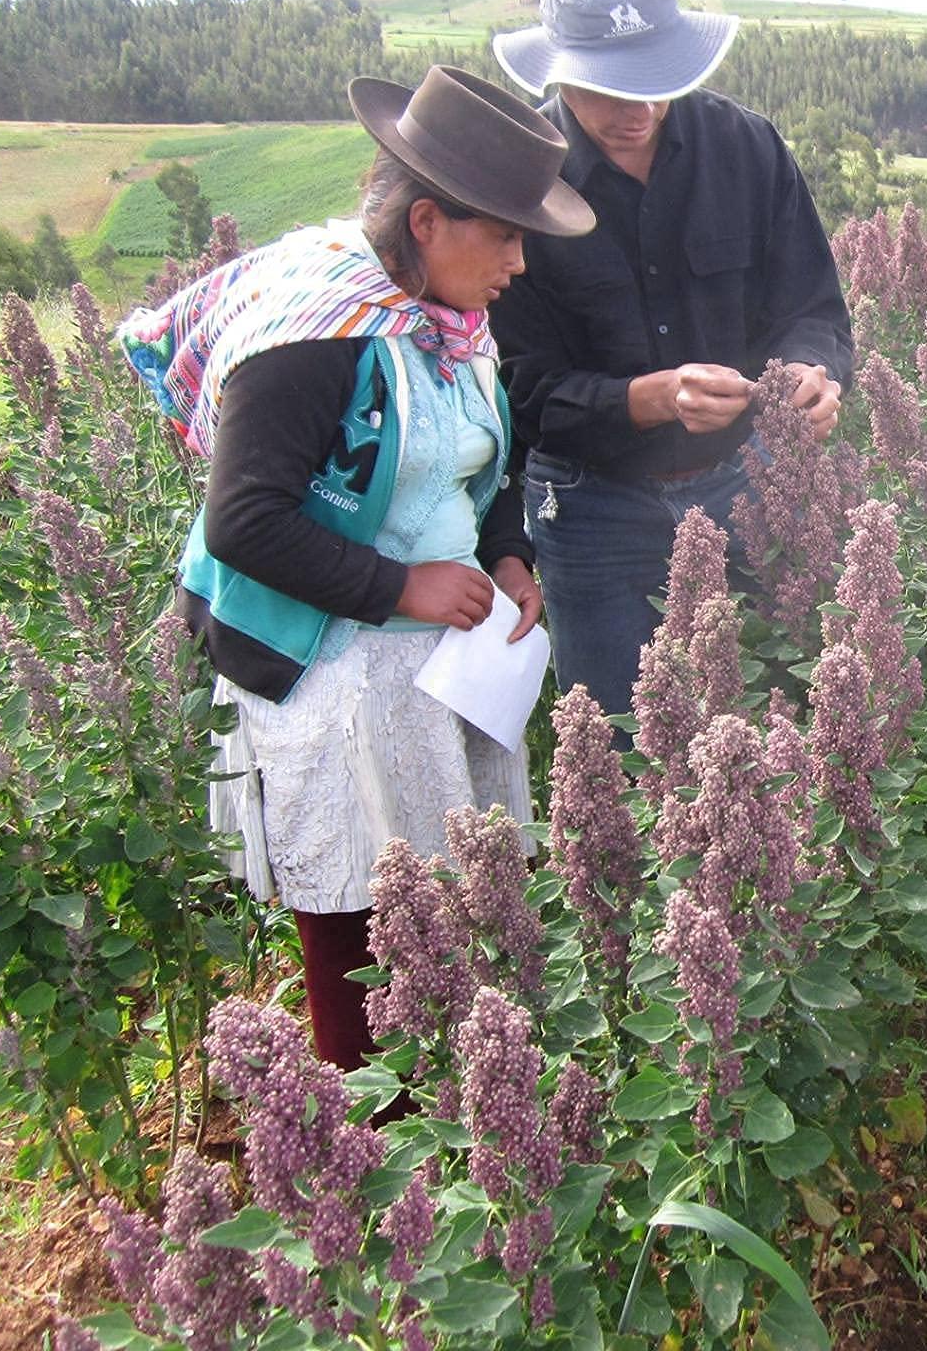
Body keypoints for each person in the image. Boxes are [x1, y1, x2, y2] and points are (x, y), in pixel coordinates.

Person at [119, 66, 594, 1068]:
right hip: (334, 686)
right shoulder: (314, 331)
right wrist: (399, 587)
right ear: (427, 219)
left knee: (461, 914)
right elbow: (245, 520)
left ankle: (469, 1127)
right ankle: (367, 1168)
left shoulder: (448, 315)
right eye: (504, 234)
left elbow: (483, 458)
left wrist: (504, 553)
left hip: (440, 677)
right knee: (367, 936)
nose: (519, 260)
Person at [488, 0, 855, 731]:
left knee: (780, 737)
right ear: (557, 73)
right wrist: (647, 400)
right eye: (609, 89)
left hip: (745, 484)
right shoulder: (521, 182)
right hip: (591, 512)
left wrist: (817, 374)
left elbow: (813, 306)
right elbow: (521, 393)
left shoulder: (746, 149)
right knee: (625, 752)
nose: (639, 110)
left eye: (657, 81)